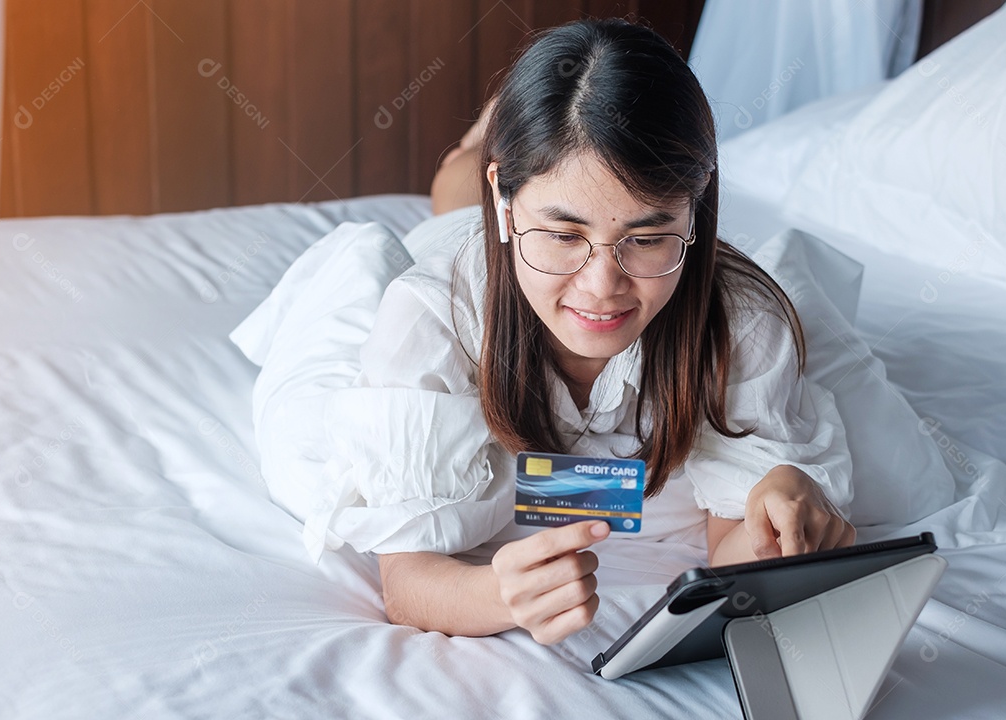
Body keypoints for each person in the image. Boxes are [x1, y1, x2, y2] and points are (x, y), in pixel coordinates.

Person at [328, 18, 854, 646]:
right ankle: (471, 160)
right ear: (508, 201)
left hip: (515, 239)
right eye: (564, 234)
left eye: (648, 237)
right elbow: (406, 581)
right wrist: (495, 595)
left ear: (697, 205)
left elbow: (731, 550)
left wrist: (775, 521)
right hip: (473, 256)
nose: (603, 286)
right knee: (447, 205)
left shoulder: (741, 324)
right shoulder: (432, 313)